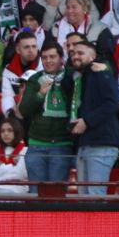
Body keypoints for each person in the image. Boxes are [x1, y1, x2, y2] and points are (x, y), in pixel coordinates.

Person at [65, 35, 119, 194]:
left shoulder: (99, 71)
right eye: (73, 53)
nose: (75, 56)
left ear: (93, 56)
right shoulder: (79, 78)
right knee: (84, 200)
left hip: (101, 144)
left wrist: (87, 121)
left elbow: (113, 103)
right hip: (86, 144)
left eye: (80, 53)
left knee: (95, 198)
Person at [18, 40, 76, 187]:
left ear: (61, 59)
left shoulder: (72, 77)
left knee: (56, 195)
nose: (48, 61)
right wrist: (40, 94)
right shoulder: (35, 79)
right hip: (36, 144)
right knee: (35, 195)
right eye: (44, 58)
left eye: (52, 57)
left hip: (62, 144)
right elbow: (24, 110)